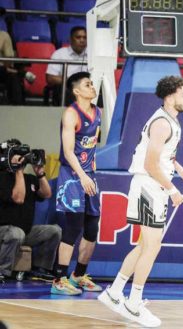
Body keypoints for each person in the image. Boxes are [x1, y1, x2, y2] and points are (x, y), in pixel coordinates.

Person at [98, 76, 183, 326]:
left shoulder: (169, 119)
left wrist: (179, 168)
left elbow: (162, 155)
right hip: (150, 187)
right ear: (171, 95)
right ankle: (133, 303)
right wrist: (173, 189)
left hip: (152, 186)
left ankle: (115, 291)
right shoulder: (162, 123)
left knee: (144, 246)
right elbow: (151, 163)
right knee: (152, 247)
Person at [52, 72, 102, 295]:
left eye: (92, 84)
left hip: (88, 174)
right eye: (87, 85)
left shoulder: (98, 112)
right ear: (76, 91)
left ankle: (78, 275)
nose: (92, 87)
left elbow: (92, 147)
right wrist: (82, 176)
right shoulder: (71, 114)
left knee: (92, 227)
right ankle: (59, 279)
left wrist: (92, 171)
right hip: (72, 175)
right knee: (72, 227)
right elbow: (69, 152)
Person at [0, 141, 61, 282]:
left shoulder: (29, 179)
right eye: (17, 155)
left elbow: (47, 194)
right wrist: (19, 170)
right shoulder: (2, 178)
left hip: (24, 232)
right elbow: (19, 198)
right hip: (3, 232)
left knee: (54, 231)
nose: (21, 158)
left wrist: (40, 174)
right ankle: (2, 270)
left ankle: (40, 269)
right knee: (16, 233)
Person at [46, 26, 88, 105]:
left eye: (84, 37)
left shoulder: (92, 55)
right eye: (78, 37)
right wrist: (71, 81)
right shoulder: (59, 54)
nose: (82, 40)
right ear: (71, 39)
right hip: (67, 88)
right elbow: (50, 78)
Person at [0, 30, 28, 105]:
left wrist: (7, 67)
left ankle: (17, 109)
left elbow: (9, 61)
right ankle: (21, 73)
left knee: (13, 77)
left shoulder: (3, 36)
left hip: (2, 71)